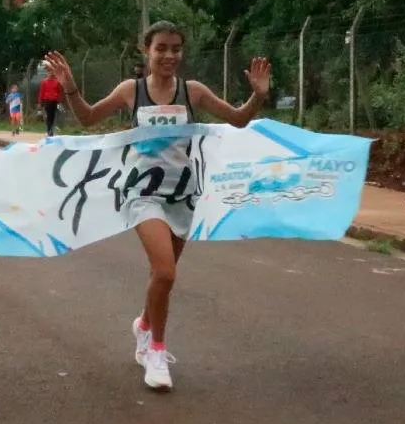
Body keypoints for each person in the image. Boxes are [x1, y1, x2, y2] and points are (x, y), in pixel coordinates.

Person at [43, 24, 272, 392]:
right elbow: (87, 117)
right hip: (142, 193)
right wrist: (69, 84)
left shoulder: (192, 91)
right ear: (145, 51)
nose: (169, 56)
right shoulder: (130, 91)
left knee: (162, 277)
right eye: (161, 48)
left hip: (183, 194)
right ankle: (156, 351)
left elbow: (239, 119)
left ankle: (144, 325)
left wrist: (257, 96)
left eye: (176, 49)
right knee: (164, 272)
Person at [38, 64, 62, 136]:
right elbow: (41, 92)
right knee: (49, 115)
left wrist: (59, 100)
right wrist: (40, 102)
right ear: (47, 73)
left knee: (53, 115)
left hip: (54, 101)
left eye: (52, 71)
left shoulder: (57, 82)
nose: (51, 73)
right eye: (49, 71)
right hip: (47, 100)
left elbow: (59, 92)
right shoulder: (44, 82)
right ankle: (49, 130)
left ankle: (51, 129)